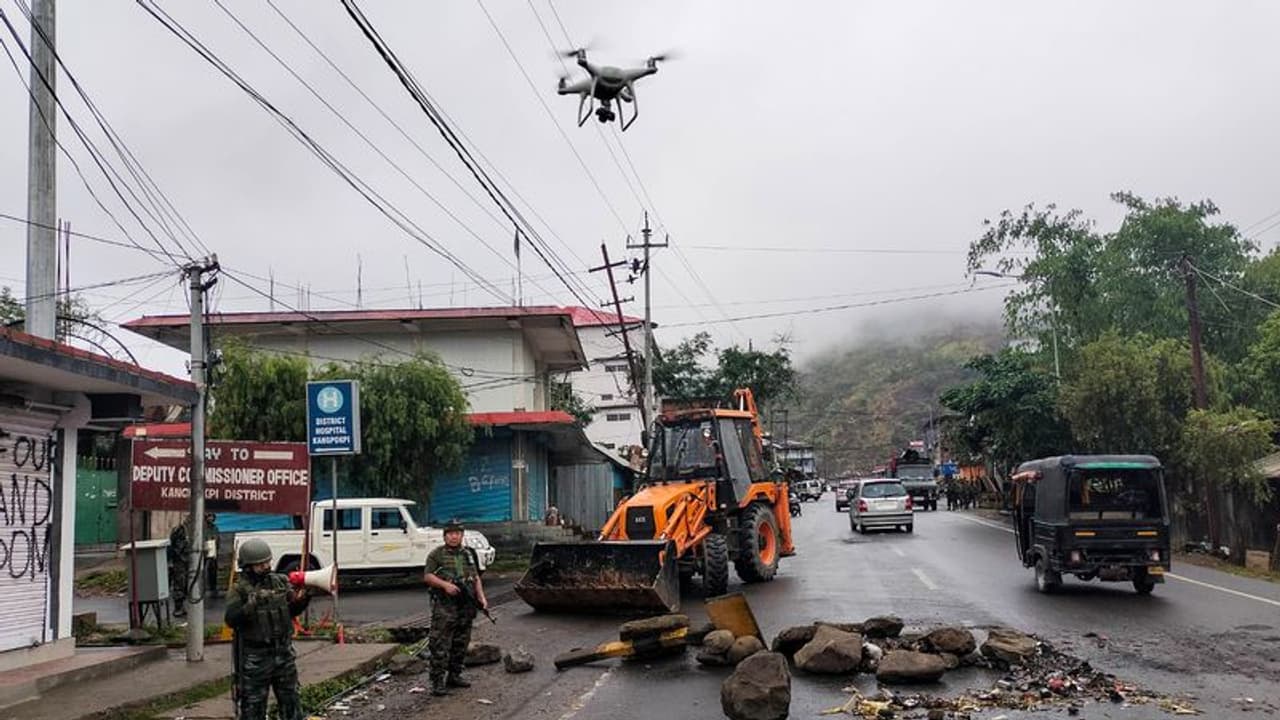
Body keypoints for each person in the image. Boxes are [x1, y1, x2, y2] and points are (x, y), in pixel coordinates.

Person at [225, 538, 311, 720]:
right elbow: (231, 620)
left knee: (292, 702)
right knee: (253, 707)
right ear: (248, 566)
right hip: (255, 658)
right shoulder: (239, 590)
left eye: (267, 562)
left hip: (283, 653)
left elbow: (291, 611)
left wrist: (304, 599)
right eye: (260, 564)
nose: (266, 566)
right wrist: (251, 605)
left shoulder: (279, 582)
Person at [423, 519, 488, 697]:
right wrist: (444, 585)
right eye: (450, 533)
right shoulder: (437, 554)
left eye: (457, 533)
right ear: (445, 536)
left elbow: (475, 578)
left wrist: (481, 597)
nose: (454, 537)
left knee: (461, 641)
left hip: (465, 603)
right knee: (440, 642)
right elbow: (428, 576)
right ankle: (437, 681)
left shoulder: (468, 554)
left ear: (461, 535)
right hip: (445, 603)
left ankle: (454, 675)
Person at [204, 513, 221, 599]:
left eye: (212, 517)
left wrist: (216, 549)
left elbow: (218, 539)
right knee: (201, 570)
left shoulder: (215, 528)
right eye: (209, 516)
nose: (211, 518)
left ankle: (213, 588)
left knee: (213, 570)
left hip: (213, 551)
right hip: (203, 552)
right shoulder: (202, 528)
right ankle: (201, 588)